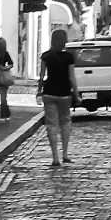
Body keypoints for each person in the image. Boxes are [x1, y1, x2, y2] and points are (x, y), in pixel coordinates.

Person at [36, 26, 80, 168]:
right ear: (64, 41)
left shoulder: (46, 56)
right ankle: (65, 154)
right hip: (64, 93)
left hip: (49, 92)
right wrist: (76, 94)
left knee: (51, 125)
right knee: (65, 122)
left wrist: (39, 91)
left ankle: (55, 157)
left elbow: (42, 77)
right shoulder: (69, 57)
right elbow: (72, 78)